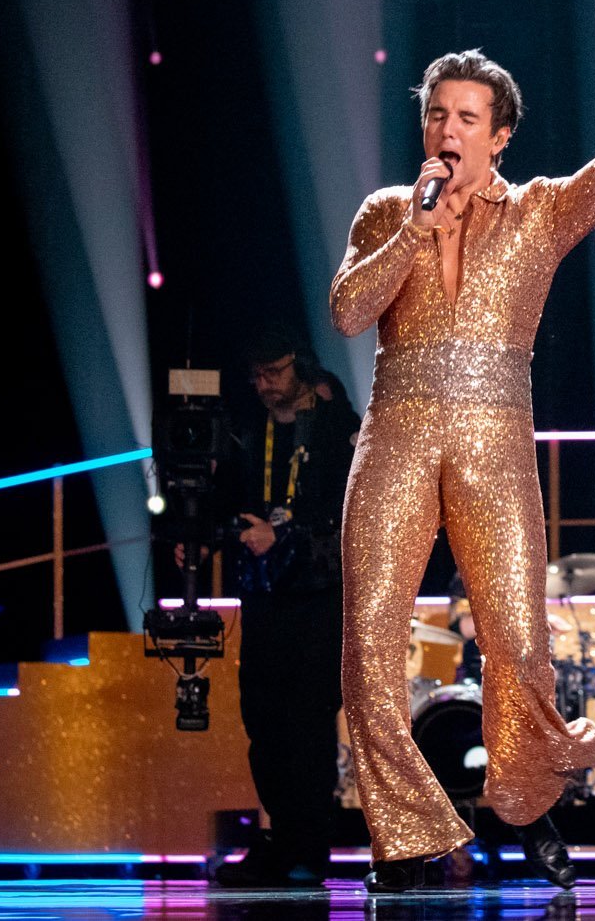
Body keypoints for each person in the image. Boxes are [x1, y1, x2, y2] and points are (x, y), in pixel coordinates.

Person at [331, 0, 595, 892]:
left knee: (519, 645)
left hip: (494, 439)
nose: (448, 128)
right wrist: (415, 228)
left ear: (501, 133)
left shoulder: (539, 211)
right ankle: (410, 835)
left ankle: (524, 801)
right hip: (396, 436)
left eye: (467, 116)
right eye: (437, 113)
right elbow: (348, 311)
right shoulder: (386, 211)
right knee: (368, 642)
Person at [205, 330, 361, 887]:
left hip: (318, 594)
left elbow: (350, 515)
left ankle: (308, 847)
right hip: (264, 593)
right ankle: (280, 840)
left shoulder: (338, 426)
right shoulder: (249, 427)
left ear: (299, 366)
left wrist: (285, 536)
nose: (263, 385)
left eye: (273, 372)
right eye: (256, 376)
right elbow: (227, 499)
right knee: (263, 720)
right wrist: (204, 537)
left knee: (308, 722)